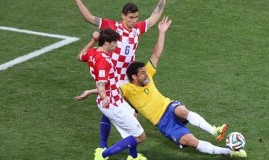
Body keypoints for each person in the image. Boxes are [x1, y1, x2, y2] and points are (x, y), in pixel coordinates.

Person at [78, 17, 248, 158]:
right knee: (190, 142)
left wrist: (161, 32)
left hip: (169, 107)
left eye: (146, 71)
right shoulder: (127, 89)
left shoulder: (148, 76)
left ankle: (214, 130)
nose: (147, 74)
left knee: (181, 110)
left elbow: (156, 54)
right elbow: (109, 90)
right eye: (143, 73)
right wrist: (92, 91)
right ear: (134, 77)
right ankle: (229, 152)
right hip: (163, 123)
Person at [74, 1, 166, 158]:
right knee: (110, 112)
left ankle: (132, 155)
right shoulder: (111, 26)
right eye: (131, 17)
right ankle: (102, 148)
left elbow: (154, 17)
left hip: (129, 79)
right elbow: (89, 17)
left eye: (136, 17)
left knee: (132, 115)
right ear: (123, 15)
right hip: (112, 77)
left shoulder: (137, 29)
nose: (134, 21)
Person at [79, 28, 146, 160]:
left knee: (134, 115)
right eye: (114, 43)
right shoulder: (102, 61)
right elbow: (101, 84)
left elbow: (80, 56)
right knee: (140, 136)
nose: (116, 45)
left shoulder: (92, 53)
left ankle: (133, 156)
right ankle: (103, 155)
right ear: (106, 43)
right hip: (112, 103)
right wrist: (104, 98)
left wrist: (93, 40)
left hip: (115, 99)